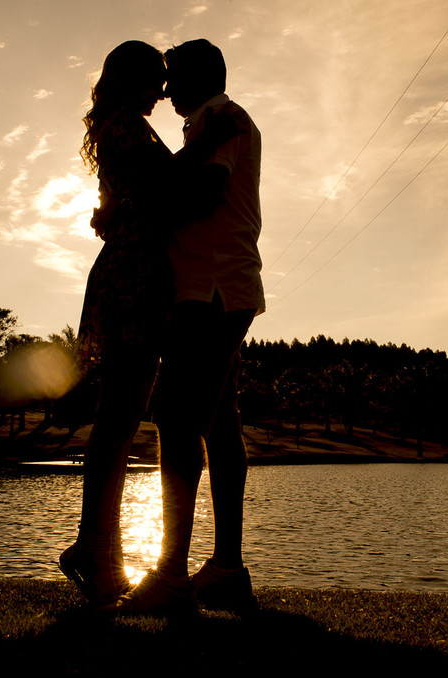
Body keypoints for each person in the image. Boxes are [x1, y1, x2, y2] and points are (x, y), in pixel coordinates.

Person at [114, 38, 265, 616]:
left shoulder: (219, 118)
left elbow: (203, 195)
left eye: (173, 76)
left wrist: (142, 206)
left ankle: (172, 575)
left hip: (211, 289)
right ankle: (226, 571)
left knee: (177, 420)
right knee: (220, 427)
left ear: (201, 77)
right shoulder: (210, 123)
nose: (166, 88)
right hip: (219, 288)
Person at [59, 40, 173, 608]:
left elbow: (118, 206)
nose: (163, 92)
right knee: (118, 419)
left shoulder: (123, 126)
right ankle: (93, 548)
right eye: (156, 80)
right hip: (133, 277)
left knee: (122, 420)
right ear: (133, 80)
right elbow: (165, 190)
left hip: (136, 271)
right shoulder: (126, 126)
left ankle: (102, 553)